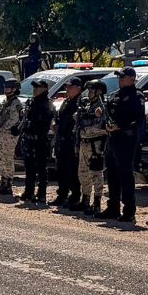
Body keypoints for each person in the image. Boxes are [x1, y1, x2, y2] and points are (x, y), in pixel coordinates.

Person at [101, 67, 146, 221]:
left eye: (122, 77)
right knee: (112, 174)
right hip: (113, 138)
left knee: (126, 175)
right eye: (119, 77)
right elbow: (109, 113)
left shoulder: (136, 96)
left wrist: (120, 125)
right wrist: (105, 122)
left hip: (126, 139)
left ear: (131, 79)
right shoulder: (116, 95)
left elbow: (137, 119)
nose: (119, 79)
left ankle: (129, 210)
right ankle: (113, 207)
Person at [75, 80, 109, 214]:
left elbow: (104, 127)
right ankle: (85, 199)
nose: (88, 93)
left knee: (95, 174)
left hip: (95, 145)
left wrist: (87, 130)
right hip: (84, 143)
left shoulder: (102, 108)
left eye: (91, 90)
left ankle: (97, 203)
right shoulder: (87, 106)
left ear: (99, 92)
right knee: (83, 173)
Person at [20, 79, 53, 204]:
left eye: (38, 87)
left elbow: (47, 121)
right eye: (34, 87)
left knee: (41, 168)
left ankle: (42, 194)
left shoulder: (47, 103)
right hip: (29, 138)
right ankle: (29, 192)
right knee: (29, 167)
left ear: (44, 89)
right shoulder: (31, 102)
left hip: (40, 140)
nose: (35, 90)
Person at [0, 78, 25, 198]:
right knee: (1, 157)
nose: (5, 89)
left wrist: (3, 128)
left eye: (8, 87)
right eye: (5, 87)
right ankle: (3, 180)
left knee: (8, 158)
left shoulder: (16, 103)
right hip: (3, 134)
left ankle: (8, 183)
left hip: (9, 134)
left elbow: (14, 119)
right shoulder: (6, 102)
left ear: (14, 89)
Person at [52, 78, 83, 208]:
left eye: (70, 87)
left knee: (72, 170)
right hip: (62, 139)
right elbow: (59, 118)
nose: (67, 89)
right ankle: (62, 195)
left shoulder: (81, 103)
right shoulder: (66, 101)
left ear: (78, 88)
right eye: (67, 87)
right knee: (61, 169)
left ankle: (75, 196)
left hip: (72, 141)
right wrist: (55, 124)